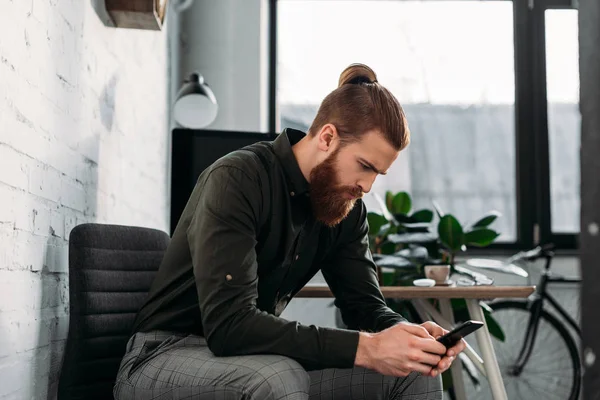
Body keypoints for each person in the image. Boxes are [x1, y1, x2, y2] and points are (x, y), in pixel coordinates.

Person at [113, 63, 466, 400]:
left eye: (378, 174)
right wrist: (365, 348)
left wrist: (410, 338)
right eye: (364, 166)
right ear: (327, 137)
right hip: (162, 355)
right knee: (278, 376)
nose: (367, 186)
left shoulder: (346, 208)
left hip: (249, 362)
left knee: (411, 375)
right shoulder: (238, 179)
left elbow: (365, 308)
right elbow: (230, 326)